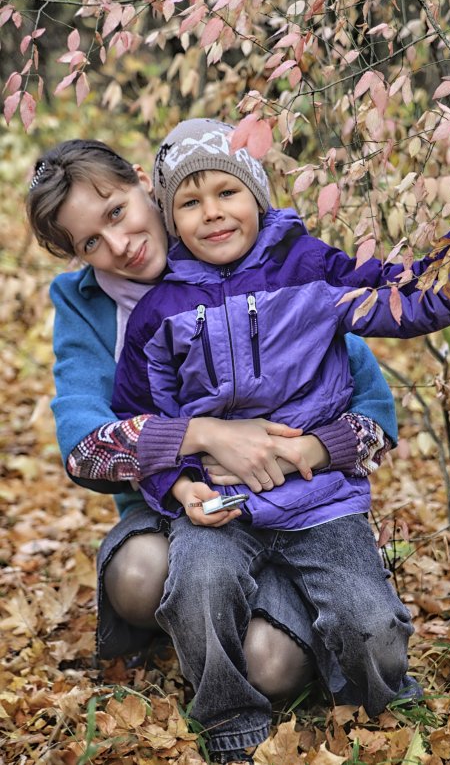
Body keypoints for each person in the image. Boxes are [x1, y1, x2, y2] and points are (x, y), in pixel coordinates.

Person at [109, 118, 450, 763]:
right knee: (196, 589)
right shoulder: (158, 312)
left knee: (370, 621)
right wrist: (181, 486)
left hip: (320, 496)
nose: (212, 214)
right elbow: (145, 421)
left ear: (258, 193)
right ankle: (227, 714)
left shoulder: (309, 267)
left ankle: (375, 697)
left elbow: (413, 297)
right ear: (168, 215)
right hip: (221, 503)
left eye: (228, 192)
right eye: (189, 203)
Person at [26, 139, 400, 706]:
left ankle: (294, 616)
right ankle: (202, 632)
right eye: (92, 243)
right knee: (140, 575)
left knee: (272, 667)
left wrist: (307, 450)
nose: (120, 246)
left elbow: (371, 402)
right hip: (184, 511)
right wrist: (203, 436)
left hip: (300, 495)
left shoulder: (255, 253)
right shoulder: (85, 302)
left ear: (142, 182)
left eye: (117, 212)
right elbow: (83, 446)